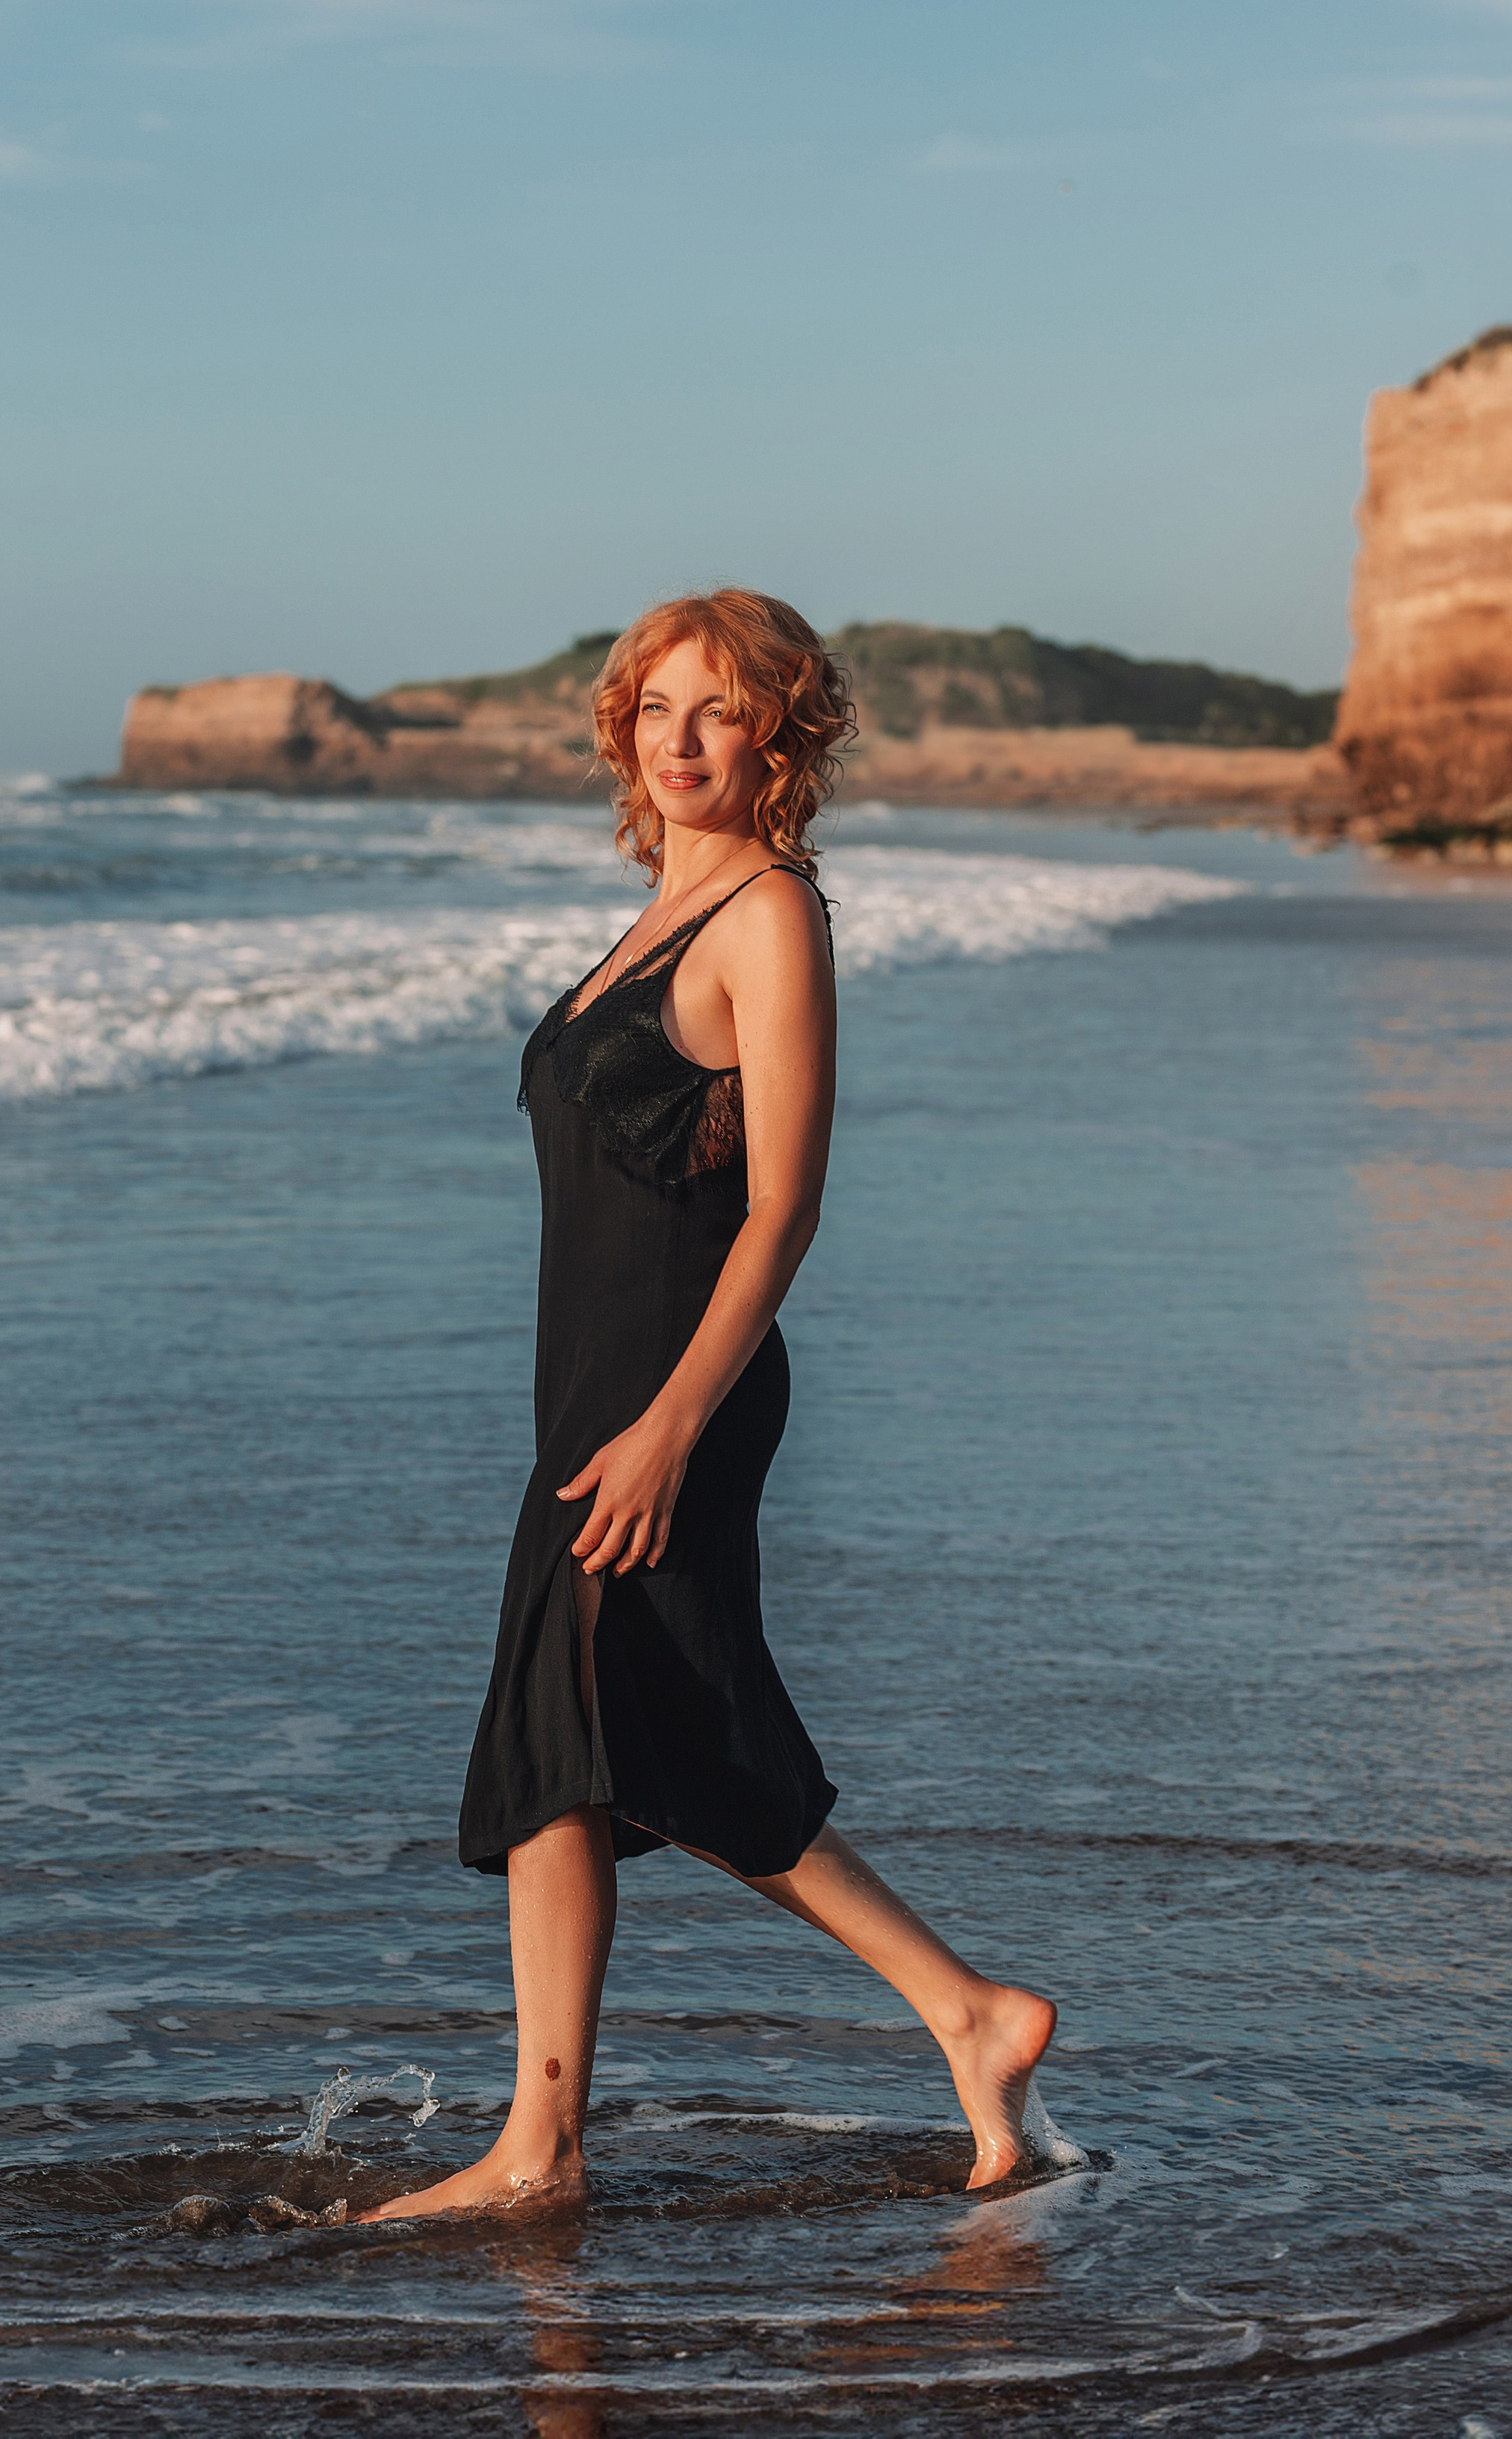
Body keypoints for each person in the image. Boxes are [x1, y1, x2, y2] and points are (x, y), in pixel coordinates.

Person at [363, 589, 1054, 2222]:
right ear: (622, 726)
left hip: (685, 1385)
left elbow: (783, 1210)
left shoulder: (767, 915)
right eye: (657, 707)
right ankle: (553, 2134)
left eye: (720, 709)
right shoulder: (653, 914)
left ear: (780, 733)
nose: (681, 738)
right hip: (592, 1387)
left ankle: (952, 2011)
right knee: (571, 1742)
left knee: (646, 1727)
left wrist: (674, 1422)